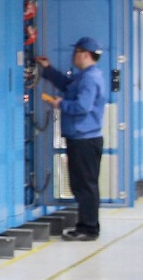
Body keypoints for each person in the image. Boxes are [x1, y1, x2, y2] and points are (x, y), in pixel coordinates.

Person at [36, 37, 108, 241]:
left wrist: (61, 104)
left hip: (85, 139)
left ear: (84, 54)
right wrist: (48, 69)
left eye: (75, 52)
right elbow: (67, 85)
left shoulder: (89, 78)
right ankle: (86, 225)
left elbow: (82, 106)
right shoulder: (85, 76)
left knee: (85, 185)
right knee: (82, 184)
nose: (73, 56)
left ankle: (89, 228)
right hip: (81, 138)